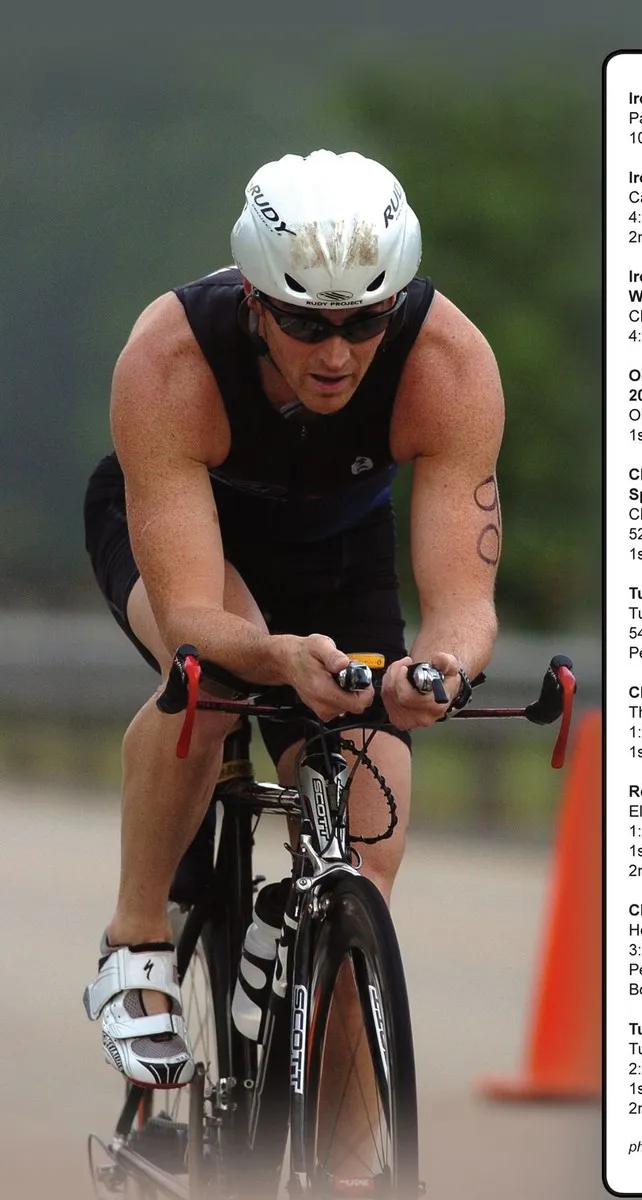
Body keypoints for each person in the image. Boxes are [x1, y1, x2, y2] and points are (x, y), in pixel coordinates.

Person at [81, 149, 503, 1104]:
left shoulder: (446, 362)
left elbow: (463, 603)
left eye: (364, 322)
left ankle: (349, 1177)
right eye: (307, 323)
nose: (337, 354)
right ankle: (135, 940)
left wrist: (434, 672)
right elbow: (193, 615)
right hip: (191, 541)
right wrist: (275, 657)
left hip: (334, 552)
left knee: (369, 862)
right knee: (215, 686)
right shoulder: (172, 357)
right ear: (255, 301)